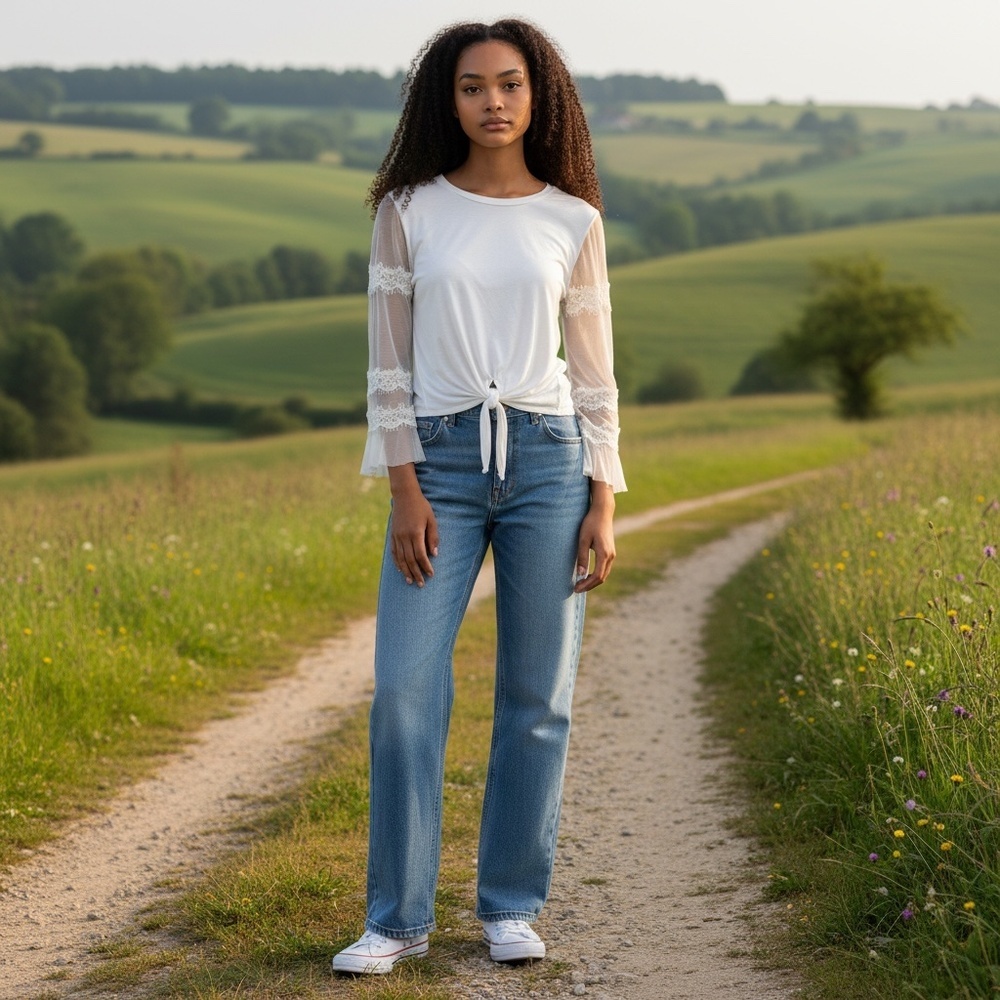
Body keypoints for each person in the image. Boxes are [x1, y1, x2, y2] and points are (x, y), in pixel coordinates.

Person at [332, 17, 627, 976]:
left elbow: (594, 374)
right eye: (472, 86)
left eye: (509, 84)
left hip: (548, 462)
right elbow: (387, 365)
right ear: (446, 100)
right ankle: (396, 920)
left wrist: (604, 496)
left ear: (539, 96)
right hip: (441, 467)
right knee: (404, 691)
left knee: (538, 696)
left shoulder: (573, 218)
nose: (492, 102)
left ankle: (510, 906)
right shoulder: (409, 209)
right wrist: (403, 488)